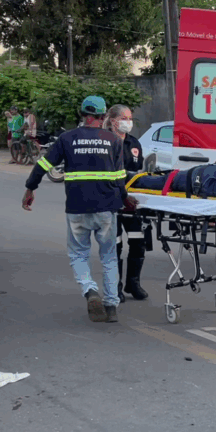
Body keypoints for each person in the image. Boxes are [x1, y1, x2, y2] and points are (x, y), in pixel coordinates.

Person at [22, 96, 138, 324]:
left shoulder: (67, 139)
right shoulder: (113, 141)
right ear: (103, 117)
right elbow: (118, 178)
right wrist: (125, 199)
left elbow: (43, 165)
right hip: (106, 209)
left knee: (78, 255)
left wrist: (30, 188)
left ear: (83, 115)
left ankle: (90, 291)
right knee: (109, 258)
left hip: (77, 208)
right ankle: (111, 306)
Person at [103, 105, 148, 303]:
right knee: (116, 246)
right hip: (112, 202)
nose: (128, 121)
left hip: (133, 203)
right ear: (113, 120)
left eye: (130, 118)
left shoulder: (134, 143)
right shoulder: (103, 141)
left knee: (139, 243)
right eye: (124, 117)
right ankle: (116, 287)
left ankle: (133, 283)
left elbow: (139, 172)